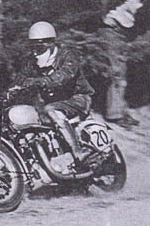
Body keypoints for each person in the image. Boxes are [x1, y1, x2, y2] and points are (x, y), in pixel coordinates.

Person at [16, 21, 95, 162]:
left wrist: (42, 81)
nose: (35, 52)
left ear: (50, 44)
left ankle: (78, 152)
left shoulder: (67, 55)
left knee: (50, 109)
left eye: (39, 48)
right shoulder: (32, 61)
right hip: (54, 102)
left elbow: (65, 74)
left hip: (78, 98)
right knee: (33, 119)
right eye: (32, 47)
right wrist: (12, 90)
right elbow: (20, 78)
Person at [99, 0, 150, 127]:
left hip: (123, 34)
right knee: (116, 71)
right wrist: (104, 16)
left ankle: (121, 111)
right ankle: (114, 115)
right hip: (112, 30)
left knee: (122, 72)